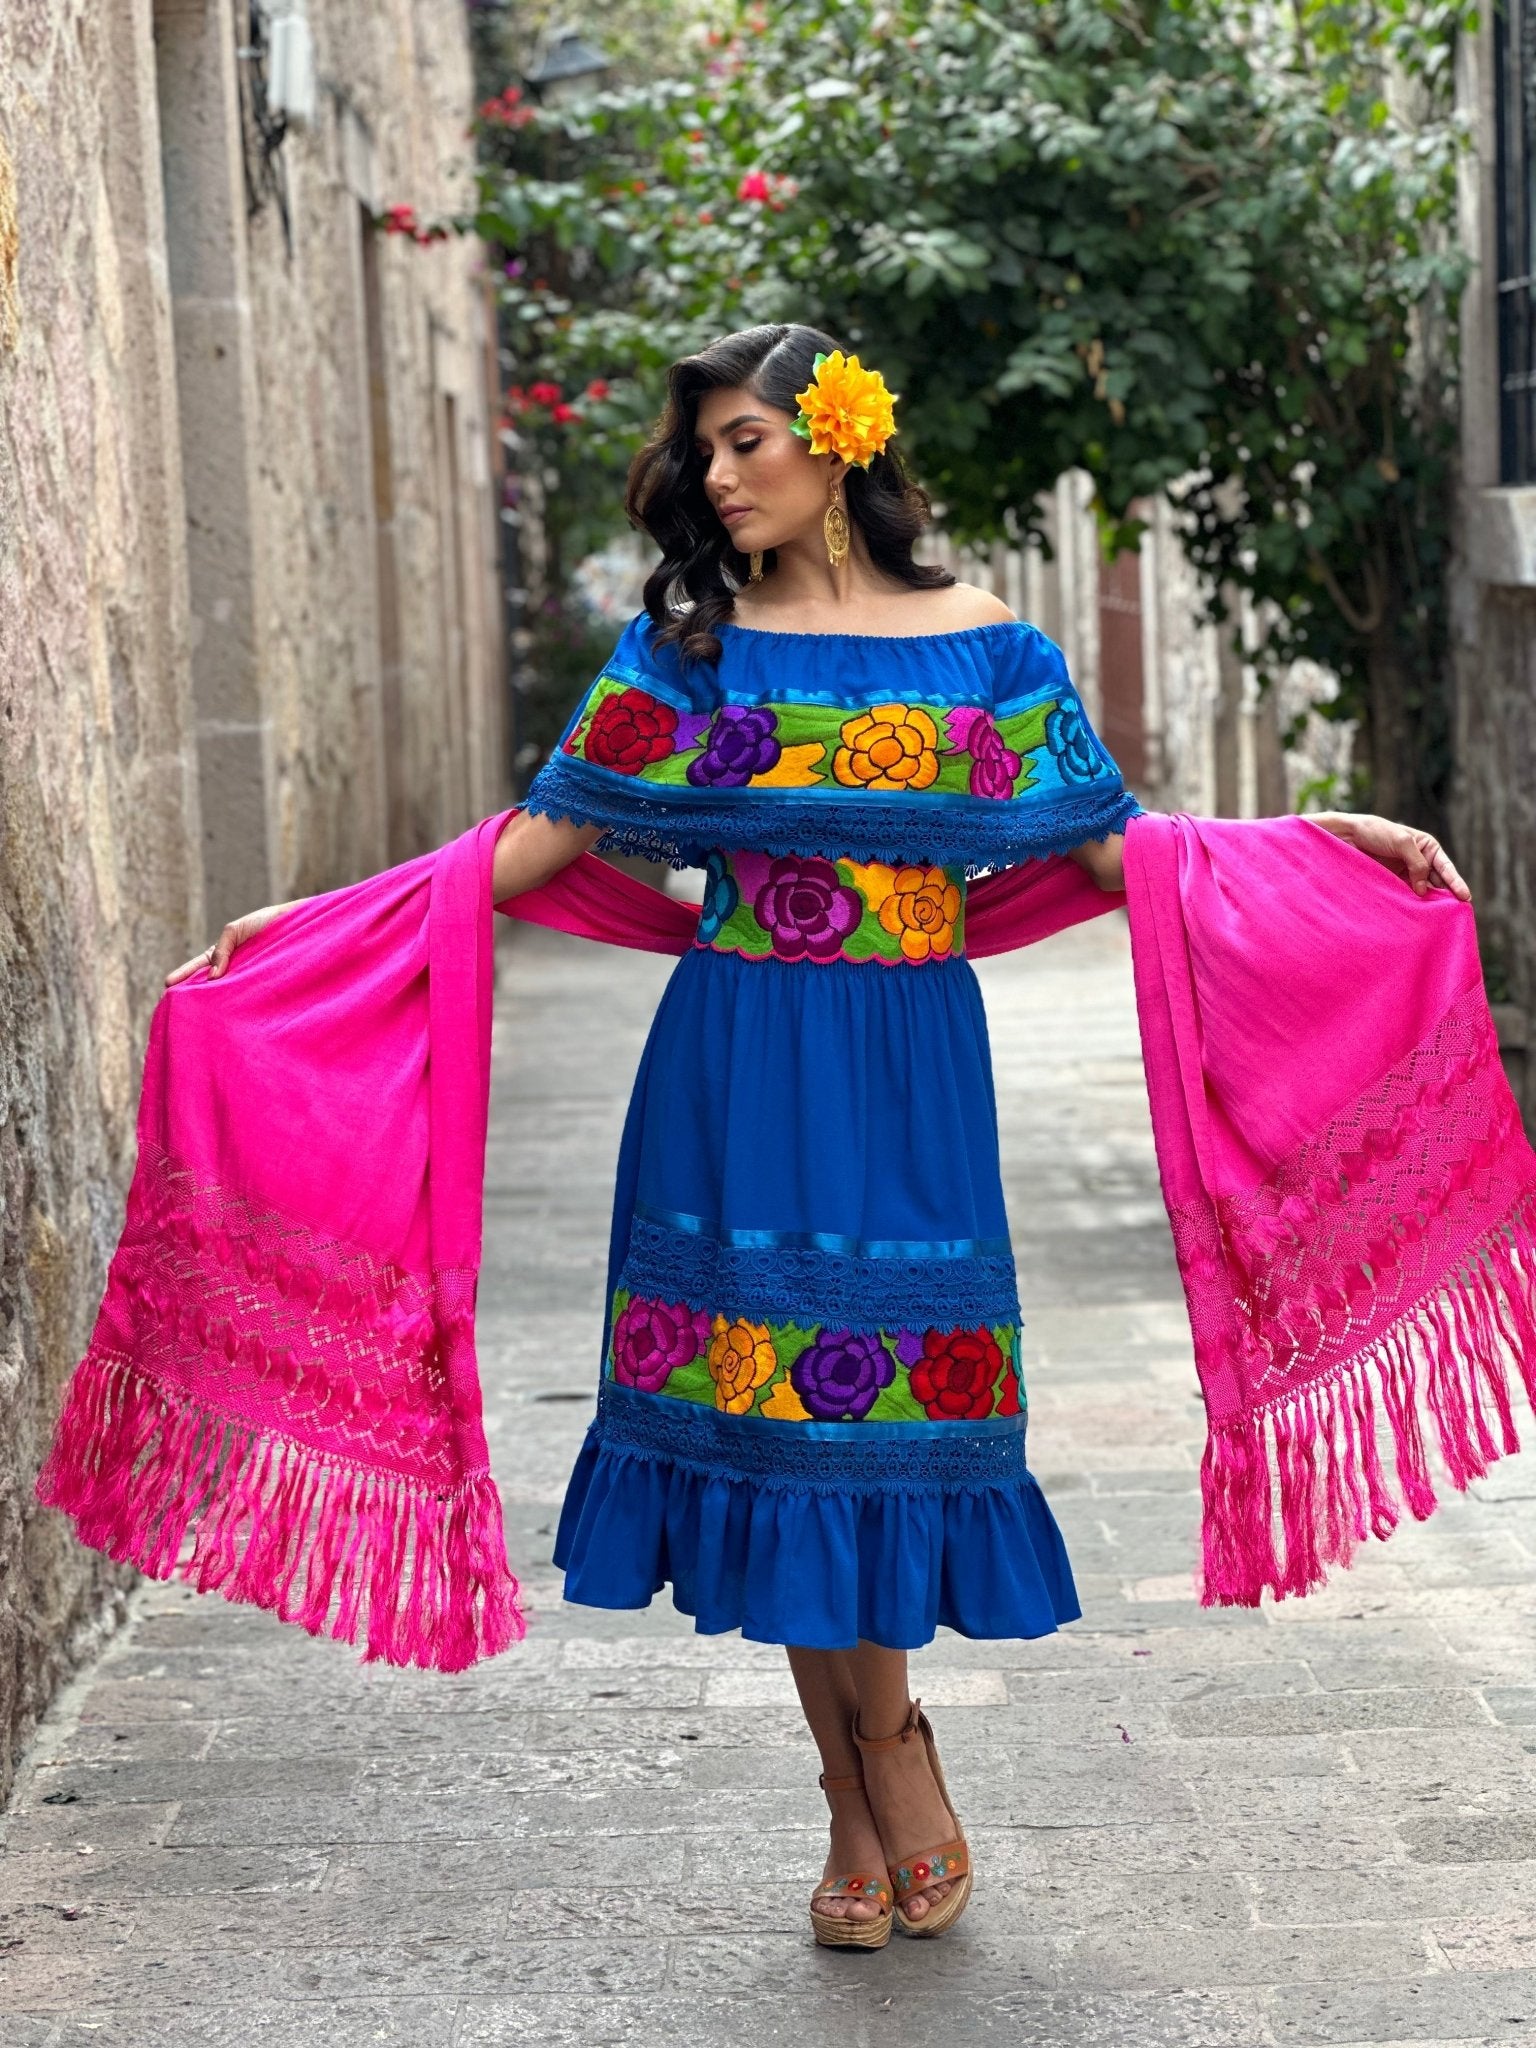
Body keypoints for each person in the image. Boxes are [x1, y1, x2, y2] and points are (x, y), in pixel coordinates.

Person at [173, 323, 1467, 1949]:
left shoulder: (987, 650)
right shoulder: (688, 659)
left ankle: (891, 1740)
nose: (717, 479)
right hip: (736, 1068)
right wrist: (304, 927)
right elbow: (533, 844)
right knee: (776, 1428)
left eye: (745, 443)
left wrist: (1326, 844)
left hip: (911, 1067)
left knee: (882, 1420)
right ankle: (859, 1797)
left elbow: (1119, 853)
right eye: (702, 452)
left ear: (835, 442)